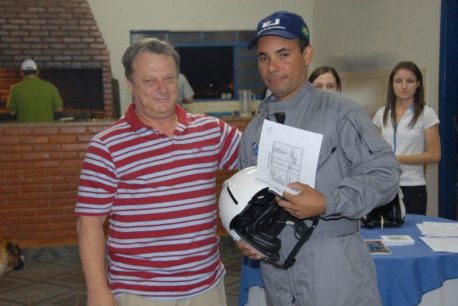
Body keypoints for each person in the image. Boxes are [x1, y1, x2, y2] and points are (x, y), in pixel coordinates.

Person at [238, 11, 401, 305]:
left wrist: (328, 202)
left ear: (307, 54)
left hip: (334, 266)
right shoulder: (255, 129)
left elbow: (385, 174)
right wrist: (251, 235)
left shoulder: (341, 114)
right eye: (264, 58)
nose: (272, 67)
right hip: (278, 272)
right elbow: (250, 197)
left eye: (283, 54)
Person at [75, 37, 241, 306]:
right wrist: (97, 291)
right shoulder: (106, 146)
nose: (162, 89)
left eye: (169, 78)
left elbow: (257, 162)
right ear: (130, 84)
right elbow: (89, 222)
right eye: (149, 80)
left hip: (206, 286)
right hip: (140, 293)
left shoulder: (211, 130)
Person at [373, 61, 441, 215]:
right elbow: (373, 150)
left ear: (418, 84)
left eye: (410, 81)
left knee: (412, 234)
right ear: (392, 84)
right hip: (385, 185)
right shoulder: (381, 114)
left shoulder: (426, 113)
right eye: (398, 81)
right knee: (383, 232)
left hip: (413, 187)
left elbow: (435, 155)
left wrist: (396, 159)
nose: (404, 86)